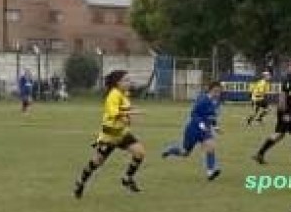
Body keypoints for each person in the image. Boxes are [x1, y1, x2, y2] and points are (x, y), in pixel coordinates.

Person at [73, 70, 146, 198]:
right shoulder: (113, 95)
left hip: (122, 133)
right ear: (118, 83)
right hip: (110, 135)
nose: (129, 82)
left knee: (139, 152)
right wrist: (132, 114)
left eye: (129, 80)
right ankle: (80, 182)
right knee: (97, 162)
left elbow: (124, 110)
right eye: (126, 80)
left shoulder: (124, 94)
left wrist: (130, 114)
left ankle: (127, 178)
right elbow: (114, 113)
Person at [162, 81, 223, 181]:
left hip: (205, 130)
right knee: (185, 153)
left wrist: (215, 126)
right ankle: (171, 150)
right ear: (210, 90)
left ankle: (210, 173)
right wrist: (201, 124)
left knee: (211, 146)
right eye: (216, 91)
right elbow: (194, 113)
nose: (218, 94)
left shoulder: (217, 102)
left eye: (219, 92)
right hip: (193, 129)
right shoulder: (202, 99)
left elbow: (212, 116)